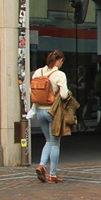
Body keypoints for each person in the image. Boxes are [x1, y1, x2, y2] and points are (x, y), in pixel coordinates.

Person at [32, 50, 70, 183]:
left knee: (48, 141)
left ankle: (41, 165)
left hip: (40, 110)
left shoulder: (38, 72)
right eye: (62, 61)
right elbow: (65, 95)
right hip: (53, 111)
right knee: (55, 143)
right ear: (59, 60)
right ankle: (52, 174)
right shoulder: (59, 74)